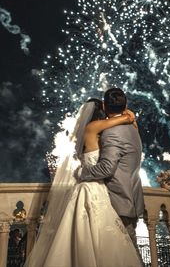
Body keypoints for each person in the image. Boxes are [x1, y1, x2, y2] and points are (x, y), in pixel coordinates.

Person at [24, 98, 142, 267]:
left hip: (91, 187)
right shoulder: (98, 130)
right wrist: (128, 117)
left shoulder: (95, 131)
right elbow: (107, 166)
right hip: (98, 189)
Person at [79, 88, 145, 259]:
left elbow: (106, 168)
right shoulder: (133, 128)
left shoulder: (112, 132)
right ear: (125, 105)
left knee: (121, 255)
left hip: (118, 200)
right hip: (132, 198)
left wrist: (81, 173)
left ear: (104, 105)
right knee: (128, 253)